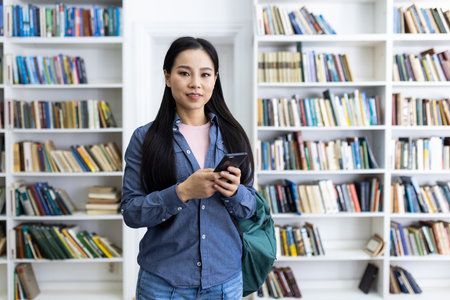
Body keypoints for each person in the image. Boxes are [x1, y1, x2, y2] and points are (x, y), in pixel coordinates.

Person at [121, 36, 256, 300]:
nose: (195, 83)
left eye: (205, 74)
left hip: (224, 282)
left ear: (214, 79)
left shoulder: (234, 135)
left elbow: (250, 206)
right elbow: (131, 212)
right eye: (184, 73)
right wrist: (181, 192)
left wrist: (235, 193)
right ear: (168, 77)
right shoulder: (144, 138)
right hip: (162, 284)